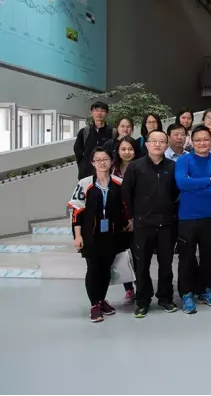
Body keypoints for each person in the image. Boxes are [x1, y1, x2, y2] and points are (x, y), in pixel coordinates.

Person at [122, 130, 179, 319]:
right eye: (153, 141)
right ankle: (143, 301)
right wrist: (134, 216)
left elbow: (177, 193)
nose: (157, 144)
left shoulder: (172, 166)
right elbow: (126, 194)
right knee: (142, 265)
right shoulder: (135, 167)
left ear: (166, 145)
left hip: (167, 224)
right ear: (146, 144)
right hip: (143, 224)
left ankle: (165, 298)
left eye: (162, 141)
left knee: (166, 265)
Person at [68, 147, 129, 322]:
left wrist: (129, 220)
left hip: (112, 234)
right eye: (98, 160)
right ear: (92, 163)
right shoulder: (85, 183)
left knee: (106, 269)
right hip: (90, 235)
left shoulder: (119, 182)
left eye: (105, 159)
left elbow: (125, 206)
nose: (102, 163)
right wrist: (78, 236)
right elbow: (77, 211)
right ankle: (94, 304)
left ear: (111, 161)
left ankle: (102, 300)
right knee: (94, 269)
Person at [175, 125, 211, 314]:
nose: (202, 143)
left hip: (210, 218)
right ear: (191, 141)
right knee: (186, 258)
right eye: (198, 140)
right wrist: (208, 181)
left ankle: (205, 289)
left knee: (208, 258)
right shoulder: (184, 160)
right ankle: (186, 293)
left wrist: (194, 188)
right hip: (187, 218)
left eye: (205, 139)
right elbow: (181, 182)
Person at [110, 136, 137, 304]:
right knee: (121, 255)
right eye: (123, 149)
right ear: (118, 151)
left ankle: (141, 288)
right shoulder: (111, 169)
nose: (127, 152)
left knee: (137, 256)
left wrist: (133, 218)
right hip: (117, 220)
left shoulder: (140, 167)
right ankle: (128, 289)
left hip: (136, 218)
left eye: (130, 149)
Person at [73, 101, 117, 179]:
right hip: (86, 174)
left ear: (107, 114)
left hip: (107, 174)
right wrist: (83, 166)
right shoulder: (84, 131)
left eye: (103, 111)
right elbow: (77, 151)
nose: (99, 113)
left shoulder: (112, 131)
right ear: (92, 113)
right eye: (96, 110)